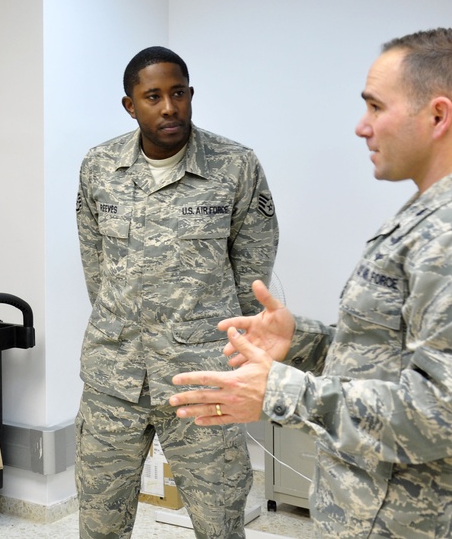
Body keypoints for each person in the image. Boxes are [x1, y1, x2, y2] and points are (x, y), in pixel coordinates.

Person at [170, 28, 452, 538]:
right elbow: (397, 357)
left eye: (376, 107)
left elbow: (451, 413)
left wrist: (285, 392)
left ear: (438, 115)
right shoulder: (438, 214)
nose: (362, 127)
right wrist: (305, 342)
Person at [75, 46, 279, 538]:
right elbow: (95, 267)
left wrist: (230, 359)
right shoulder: (99, 167)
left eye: (179, 93)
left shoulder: (235, 166)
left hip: (203, 381)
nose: (170, 107)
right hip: (114, 380)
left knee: (220, 524)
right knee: (99, 524)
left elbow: (252, 277)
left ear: (190, 95)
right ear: (130, 105)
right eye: (153, 96)